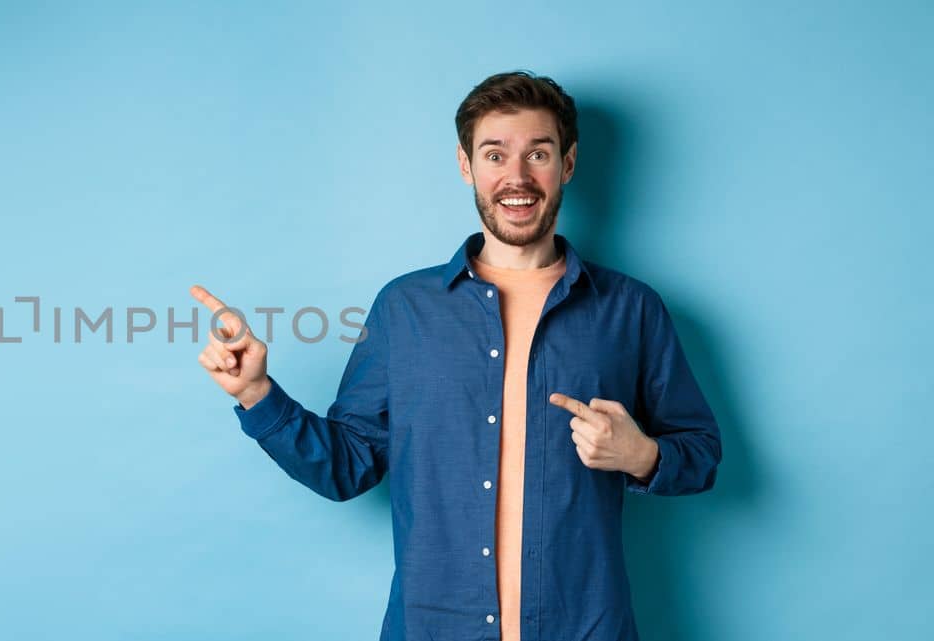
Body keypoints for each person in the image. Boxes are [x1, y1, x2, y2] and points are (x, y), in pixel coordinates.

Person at [190, 70, 721, 641]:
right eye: (495, 155)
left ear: (567, 164)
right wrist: (255, 395)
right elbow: (346, 467)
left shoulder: (631, 309)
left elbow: (701, 453)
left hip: (585, 627)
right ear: (467, 166)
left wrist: (641, 454)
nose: (516, 177)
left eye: (537, 153)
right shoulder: (404, 309)